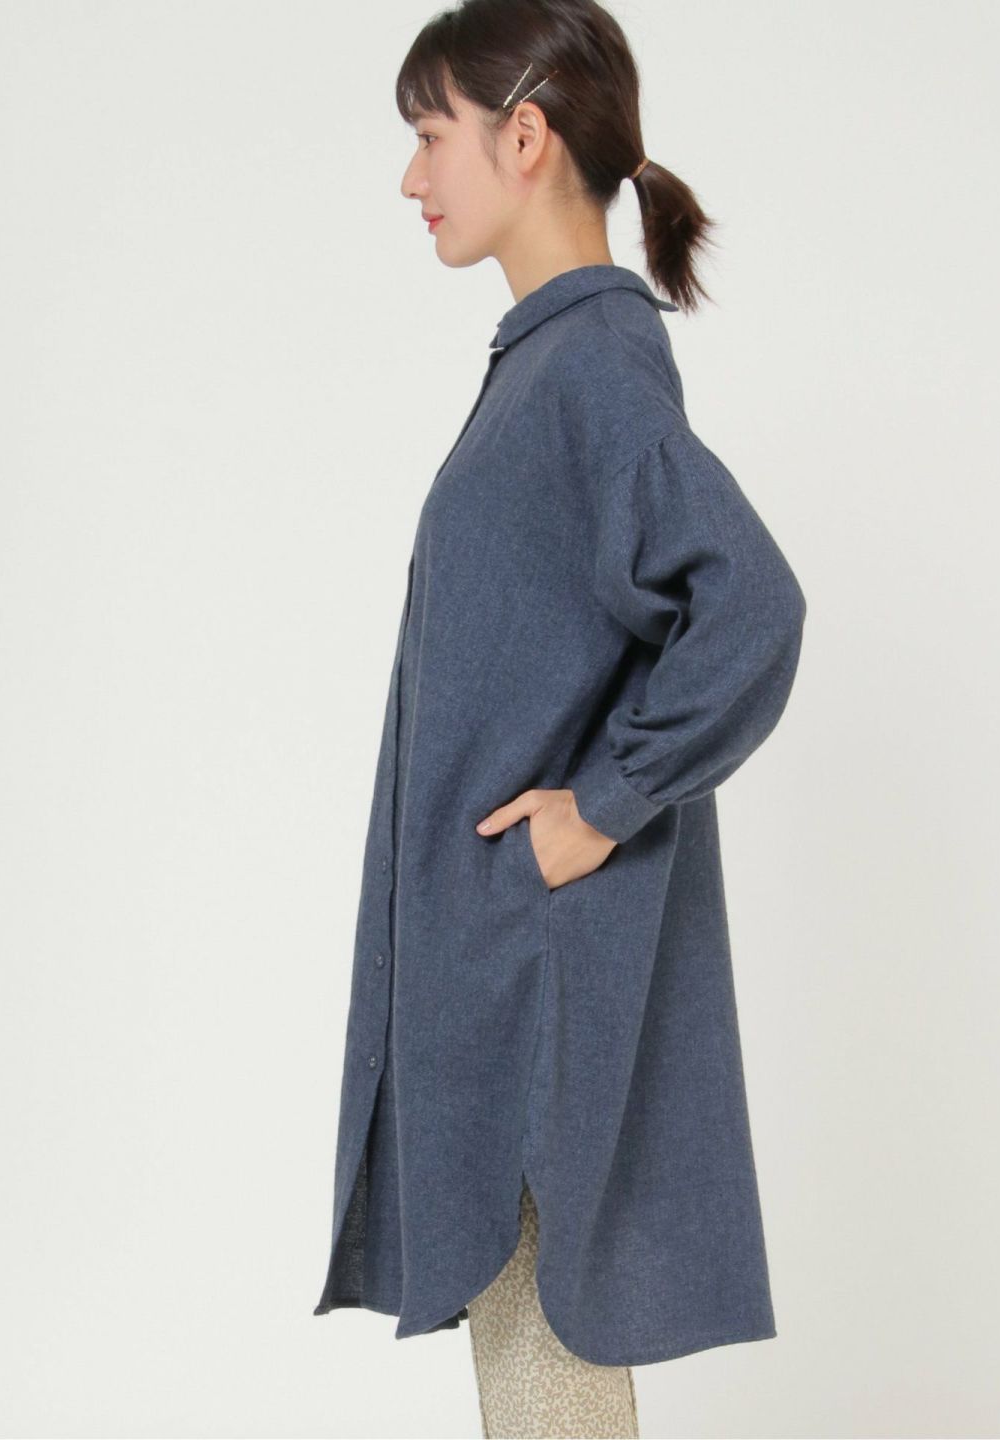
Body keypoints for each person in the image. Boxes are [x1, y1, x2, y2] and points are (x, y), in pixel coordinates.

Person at [312, 2, 808, 1436]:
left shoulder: (587, 365)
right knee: (536, 1389)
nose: (413, 177)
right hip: (502, 969)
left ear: (523, 136)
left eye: (432, 135)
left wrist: (600, 807)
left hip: (535, 987)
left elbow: (752, 608)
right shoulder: (549, 364)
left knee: (549, 1391)